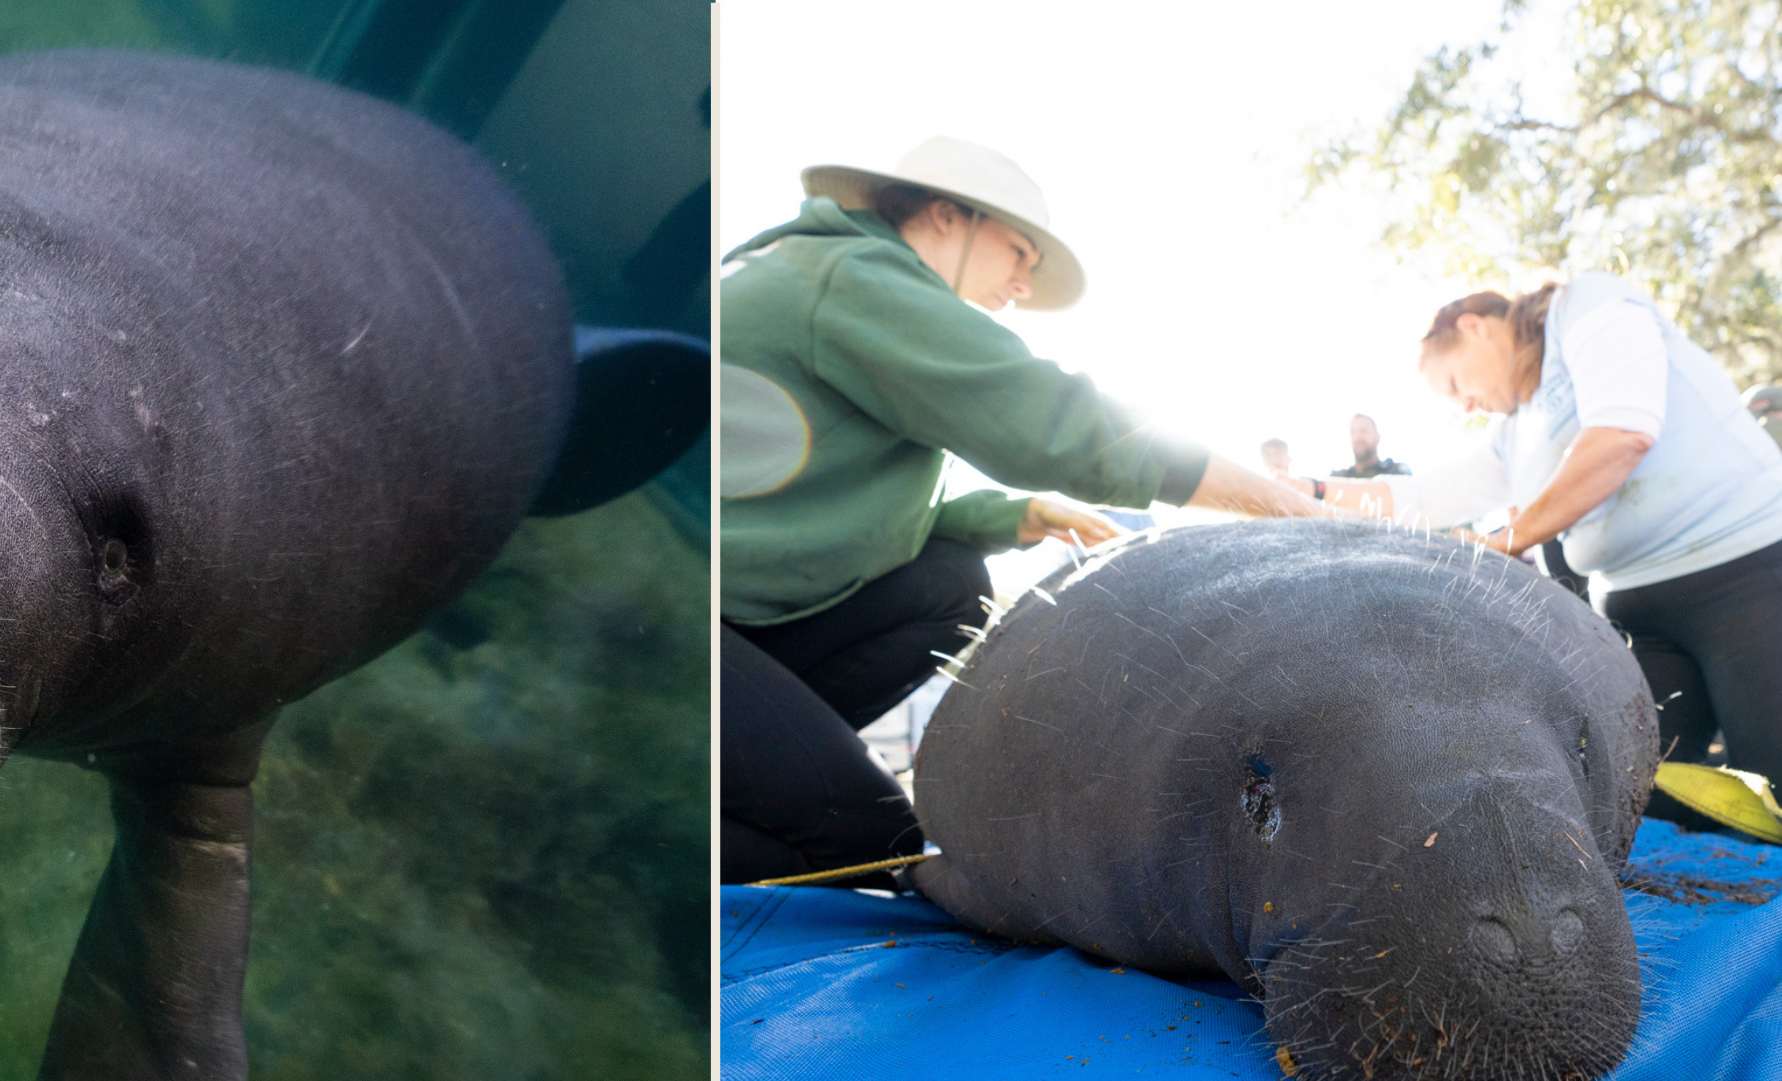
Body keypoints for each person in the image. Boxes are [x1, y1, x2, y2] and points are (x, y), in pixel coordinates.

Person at [719, 136, 1327, 886]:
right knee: (875, 841)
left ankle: (760, 771)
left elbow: (826, 499)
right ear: (946, 215)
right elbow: (1060, 424)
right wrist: (1296, 511)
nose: (1022, 280)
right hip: (674, 610)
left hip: (731, 596)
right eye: (1018, 251)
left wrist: (1017, 515)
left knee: (950, 580)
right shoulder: (858, 276)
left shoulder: (817, 269)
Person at [1308, 274, 1782, 801]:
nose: (1464, 405)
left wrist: (1509, 539)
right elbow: (1419, 497)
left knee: (1774, 786)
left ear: (1473, 327)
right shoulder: (1511, 435)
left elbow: (1623, 433)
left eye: (1453, 385)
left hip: (1745, 578)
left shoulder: (1584, 307)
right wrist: (1314, 490)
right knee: (1644, 796)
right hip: (1641, 618)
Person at [1330, 413, 1410, 478]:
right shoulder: (1337, 478)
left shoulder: (1395, 472)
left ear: (1377, 437)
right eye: (1353, 433)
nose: (1358, 437)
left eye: (1363, 430)